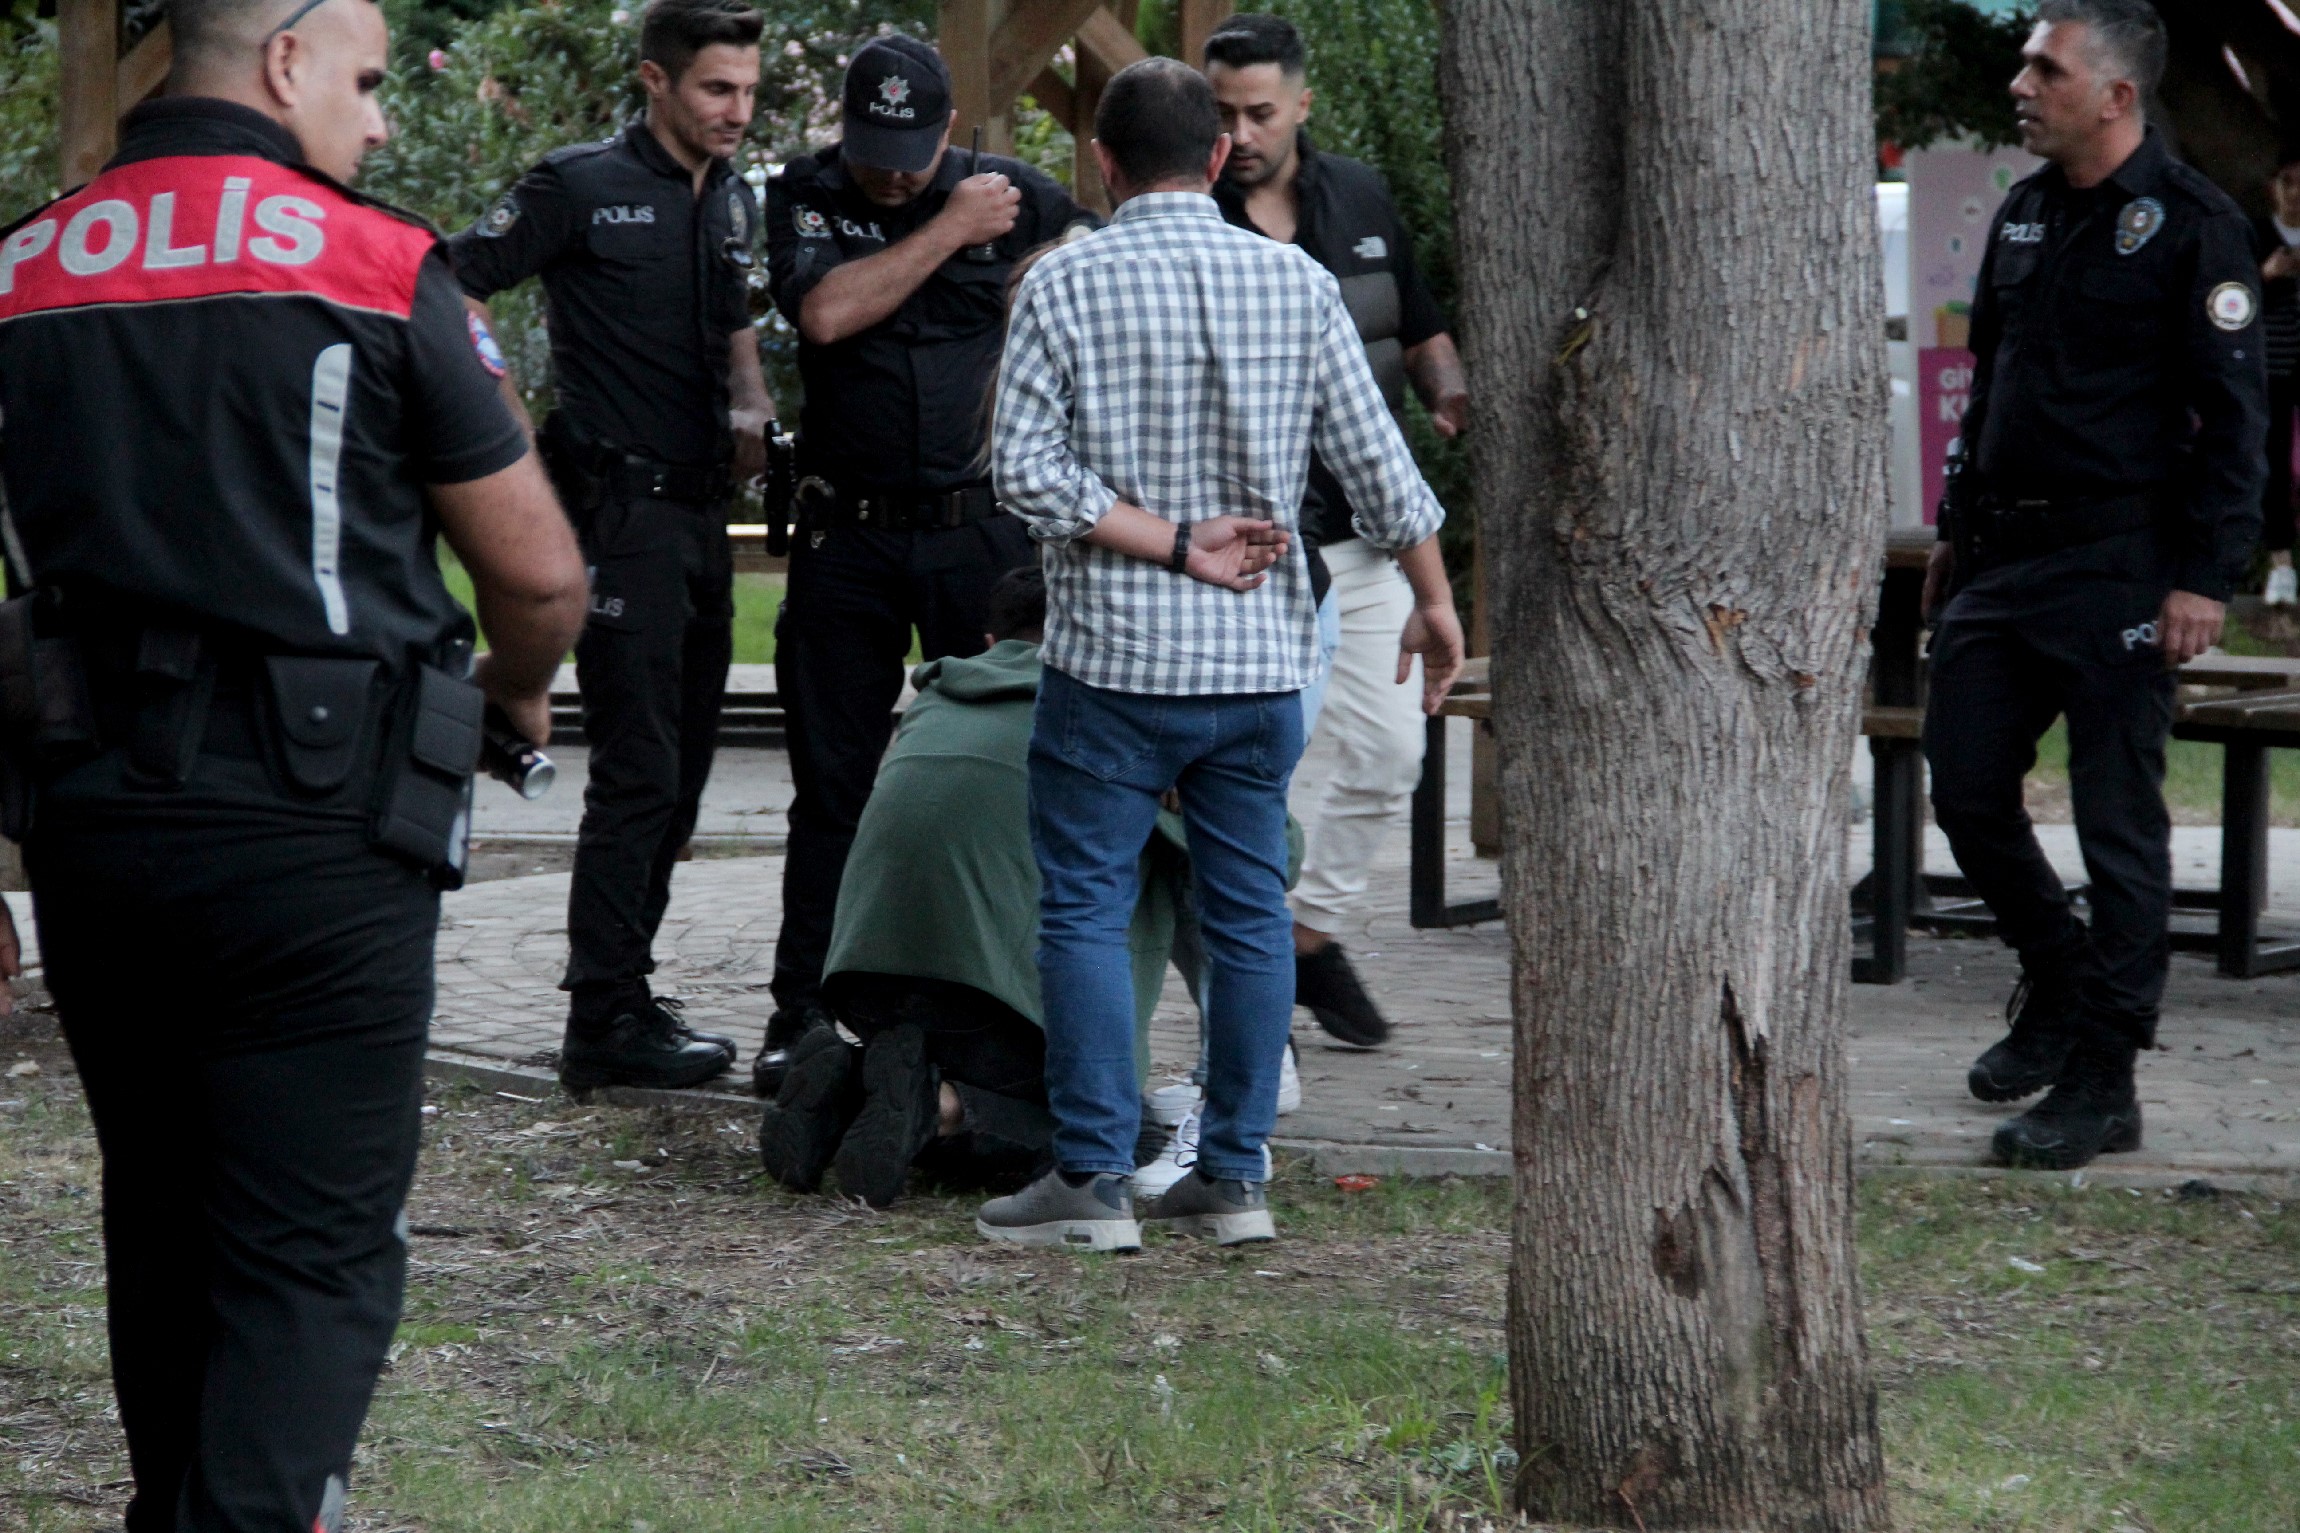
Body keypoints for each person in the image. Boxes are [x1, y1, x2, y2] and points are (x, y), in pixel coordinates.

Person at [0, 0, 589, 1521]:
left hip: (93, 819)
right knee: (309, 1258)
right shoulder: (376, 263)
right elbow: (535, 577)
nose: (383, 120)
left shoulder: (24, 265)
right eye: (370, 81)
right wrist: (520, 698)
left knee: (165, 1219)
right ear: (283, 62)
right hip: (318, 830)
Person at [977, 58, 1463, 1251]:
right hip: (1256, 670)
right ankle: (1232, 1178)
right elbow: (1379, 467)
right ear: (1210, 160)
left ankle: (1092, 1183)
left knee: (1085, 910)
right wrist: (1435, 601)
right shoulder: (1294, 284)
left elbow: (1023, 473)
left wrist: (1166, 540)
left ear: (1098, 161)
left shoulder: (1061, 281)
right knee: (1248, 914)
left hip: (1109, 666)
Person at [1924, 0, 2266, 1171]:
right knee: (1964, 789)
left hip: (2120, 563)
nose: (2020, 83)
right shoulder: (2021, 214)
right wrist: (1952, 545)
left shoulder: (2191, 225)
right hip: (2002, 563)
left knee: (2117, 826)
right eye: (2023, 62)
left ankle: (2104, 1078)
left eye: (2044, 67)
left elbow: (2233, 424)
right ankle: (2061, 983)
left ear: (2115, 96)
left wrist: (2202, 579)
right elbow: (1991, 396)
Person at [757, 36, 1098, 1094]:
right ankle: (803, 1015)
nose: (892, 171)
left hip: (977, 532)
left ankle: (1000, 1021)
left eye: (913, 151)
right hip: (845, 536)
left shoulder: (1028, 199)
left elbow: (1098, 299)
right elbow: (823, 313)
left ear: (950, 129)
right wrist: (950, 228)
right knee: (832, 786)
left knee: (1004, 777)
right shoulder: (808, 195)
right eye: (873, 150)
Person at [449, 0, 775, 1093]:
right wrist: (498, 428)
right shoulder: (576, 185)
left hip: (697, 520)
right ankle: (603, 1017)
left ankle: (626, 987)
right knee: (637, 772)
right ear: (654, 80)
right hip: (617, 513)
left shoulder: (727, 194)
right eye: (714, 90)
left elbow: (732, 308)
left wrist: (749, 396)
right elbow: (448, 285)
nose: (736, 111)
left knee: (681, 778)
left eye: (746, 89)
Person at [1203, 14, 1469, 1049]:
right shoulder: (1190, 217)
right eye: (1222, 112)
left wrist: (1445, 389)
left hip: (1365, 542)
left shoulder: (1357, 195)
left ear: (1302, 103)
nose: (1241, 132)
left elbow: (1417, 321)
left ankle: (1306, 938)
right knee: (1256, 771)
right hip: (1249, 551)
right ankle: (1247, 987)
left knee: (1392, 750)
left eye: (1260, 111)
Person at [2256, 159, 2300, 607]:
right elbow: (2230, 300)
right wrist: (2266, 274)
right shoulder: (2254, 235)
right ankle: (2281, 566)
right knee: (2271, 465)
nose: (2295, 193)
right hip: (2273, 368)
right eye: (2288, 182)